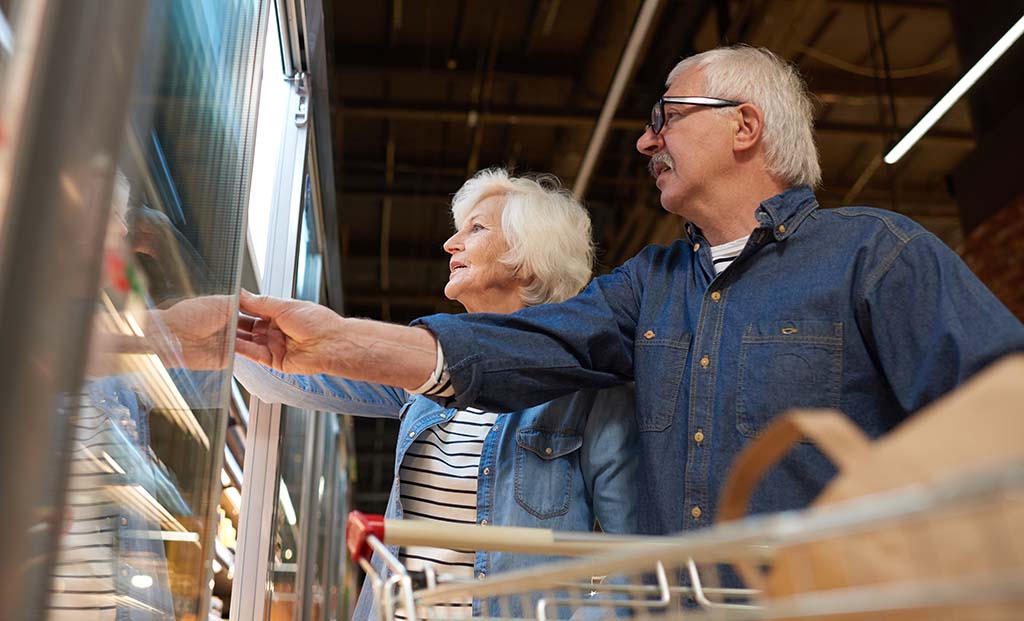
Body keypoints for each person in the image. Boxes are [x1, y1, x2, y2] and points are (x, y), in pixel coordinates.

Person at [234, 45, 1024, 540]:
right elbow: (521, 343)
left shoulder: (876, 256)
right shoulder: (649, 286)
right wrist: (327, 338)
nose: (646, 139)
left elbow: (1000, 415)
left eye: (667, 117)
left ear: (744, 126)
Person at [234, 169, 640, 620]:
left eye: (477, 228)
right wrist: (213, 325)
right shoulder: (428, 372)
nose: (450, 244)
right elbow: (285, 375)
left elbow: (635, 564)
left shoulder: (589, 392)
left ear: (529, 254)